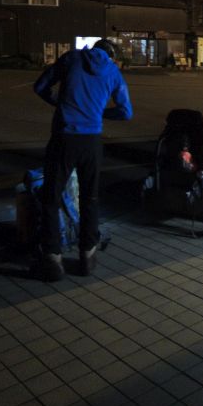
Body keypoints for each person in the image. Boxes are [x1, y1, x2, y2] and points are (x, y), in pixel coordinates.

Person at [33, 39, 133, 280]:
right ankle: (87, 256)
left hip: (64, 138)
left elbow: (40, 86)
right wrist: (99, 112)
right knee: (90, 198)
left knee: (51, 197)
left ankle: (52, 259)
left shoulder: (71, 59)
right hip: (91, 143)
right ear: (111, 56)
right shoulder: (112, 71)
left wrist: (57, 102)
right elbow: (126, 112)